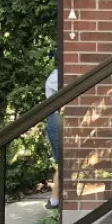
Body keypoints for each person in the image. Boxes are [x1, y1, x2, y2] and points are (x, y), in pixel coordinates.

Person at [45, 67, 60, 209]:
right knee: (64, 163)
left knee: (64, 163)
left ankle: (55, 199)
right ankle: (55, 200)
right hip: (57, 119)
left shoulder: (56, 75)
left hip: (57, 119)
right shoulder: (56, 77)